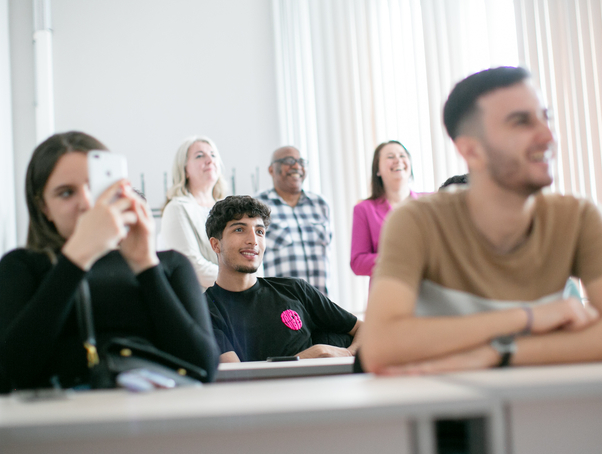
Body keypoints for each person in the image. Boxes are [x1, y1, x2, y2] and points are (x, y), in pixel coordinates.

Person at [361, 66, 602, 375]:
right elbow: (380, 347)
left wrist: (498, 352)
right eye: (521, 122)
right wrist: (528, 318)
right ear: (471, 151)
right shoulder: (414, 222)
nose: (548, 136)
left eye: (546, 118)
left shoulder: (579, 217)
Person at [0, 132, 219, 391]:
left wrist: (145, 264)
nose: (86, 203)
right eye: (66, 193)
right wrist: (76, 258)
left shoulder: (170, 264)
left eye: (94, 187)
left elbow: (204, 366)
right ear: (44, 208)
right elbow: (9, 374)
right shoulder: (23, 266)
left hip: (161, 423)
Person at [204, 196, 360, 362]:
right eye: (239, 230)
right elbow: (238, 378)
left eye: (259, 232)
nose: (253, 241)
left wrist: (348, 353)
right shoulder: (204, 310)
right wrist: (302, 359)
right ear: (215, 244)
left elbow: (362, 329)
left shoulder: (295, 289)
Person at [255, 146, 331, 294]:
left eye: (301, 162)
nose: (297, 166)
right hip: (280, 302)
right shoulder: (258, 204)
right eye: (289, 161)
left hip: (322, 303)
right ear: (271, 170)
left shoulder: (320, 203)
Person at [350, 140, 425, 277]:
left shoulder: (429, 202)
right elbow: (358, 263)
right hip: (388, 291)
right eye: (390, 157)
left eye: (402, 156)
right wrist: (400, 258)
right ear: (377, 170)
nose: (398, 160)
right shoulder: (364, 209)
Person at [161, 136, 227, 289]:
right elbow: (192, 266)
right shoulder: (177, 208)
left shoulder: (230, 208)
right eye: (199, 156)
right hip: (206, 303)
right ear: (184, 169)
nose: (209, 160)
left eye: (213, 155)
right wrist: (240, 281)